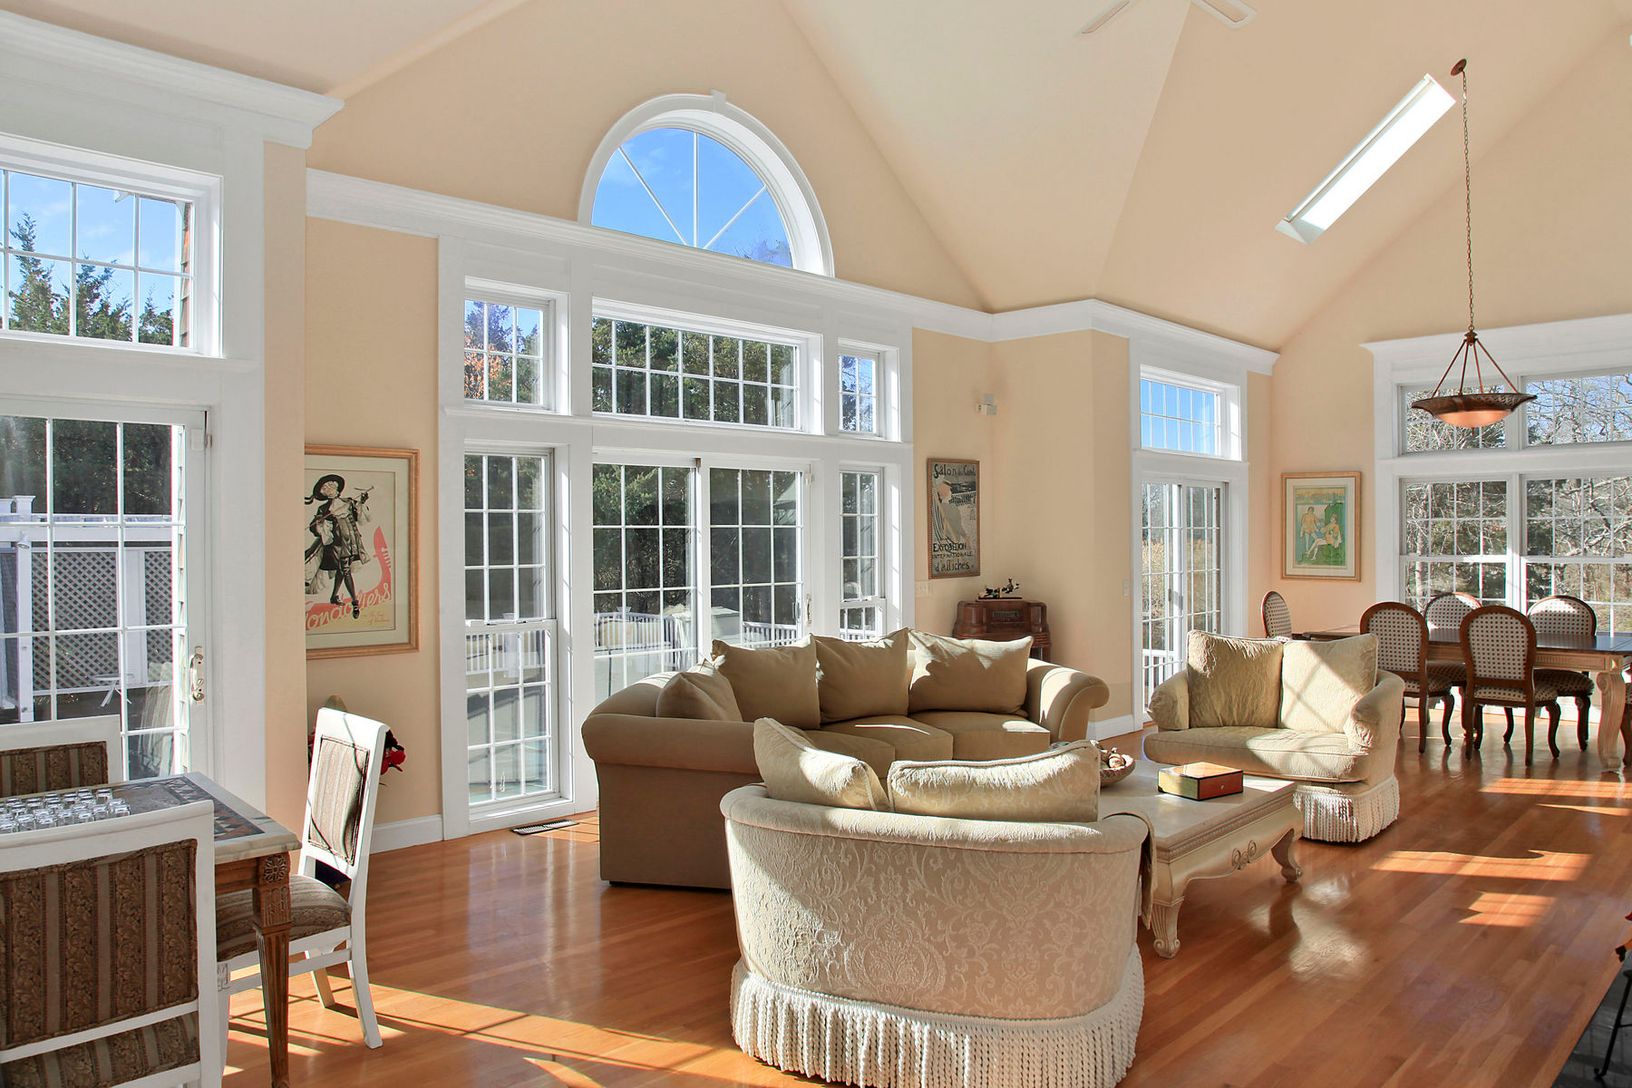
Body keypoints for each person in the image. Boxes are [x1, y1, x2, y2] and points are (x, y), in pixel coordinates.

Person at [304, 474, 372, 618]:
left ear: (337, 487)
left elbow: (360, 518)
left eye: (330, 485)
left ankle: (334, 596)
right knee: (345, 570)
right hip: (336, 544)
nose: (328, 488)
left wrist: (361, 503)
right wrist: (319, 524)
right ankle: (355, 602)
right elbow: (314, 530)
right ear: (323, 493)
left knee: (342, 569)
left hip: (352, 541)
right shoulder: (323, 509)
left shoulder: (348, 502)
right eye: (325, 487)